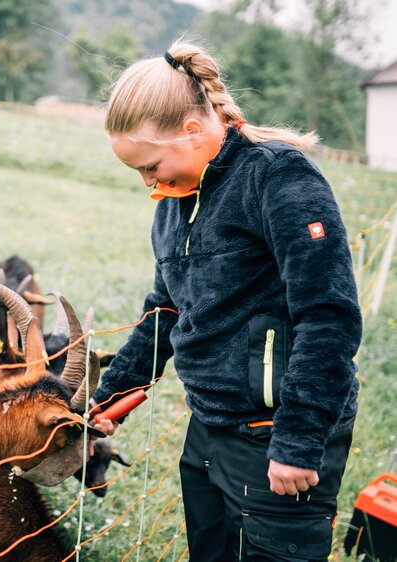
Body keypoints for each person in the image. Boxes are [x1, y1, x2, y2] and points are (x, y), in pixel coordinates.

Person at [90, 39, 361, 561]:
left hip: (277, 437)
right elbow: (167, 310)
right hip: (209, 428)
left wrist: (299, 440)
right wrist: (110, 396)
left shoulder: (277, 177)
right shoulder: (173, 201)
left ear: (192, 131)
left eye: (151, 165)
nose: (149, 182)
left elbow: (328, 315)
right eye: (138, 173)